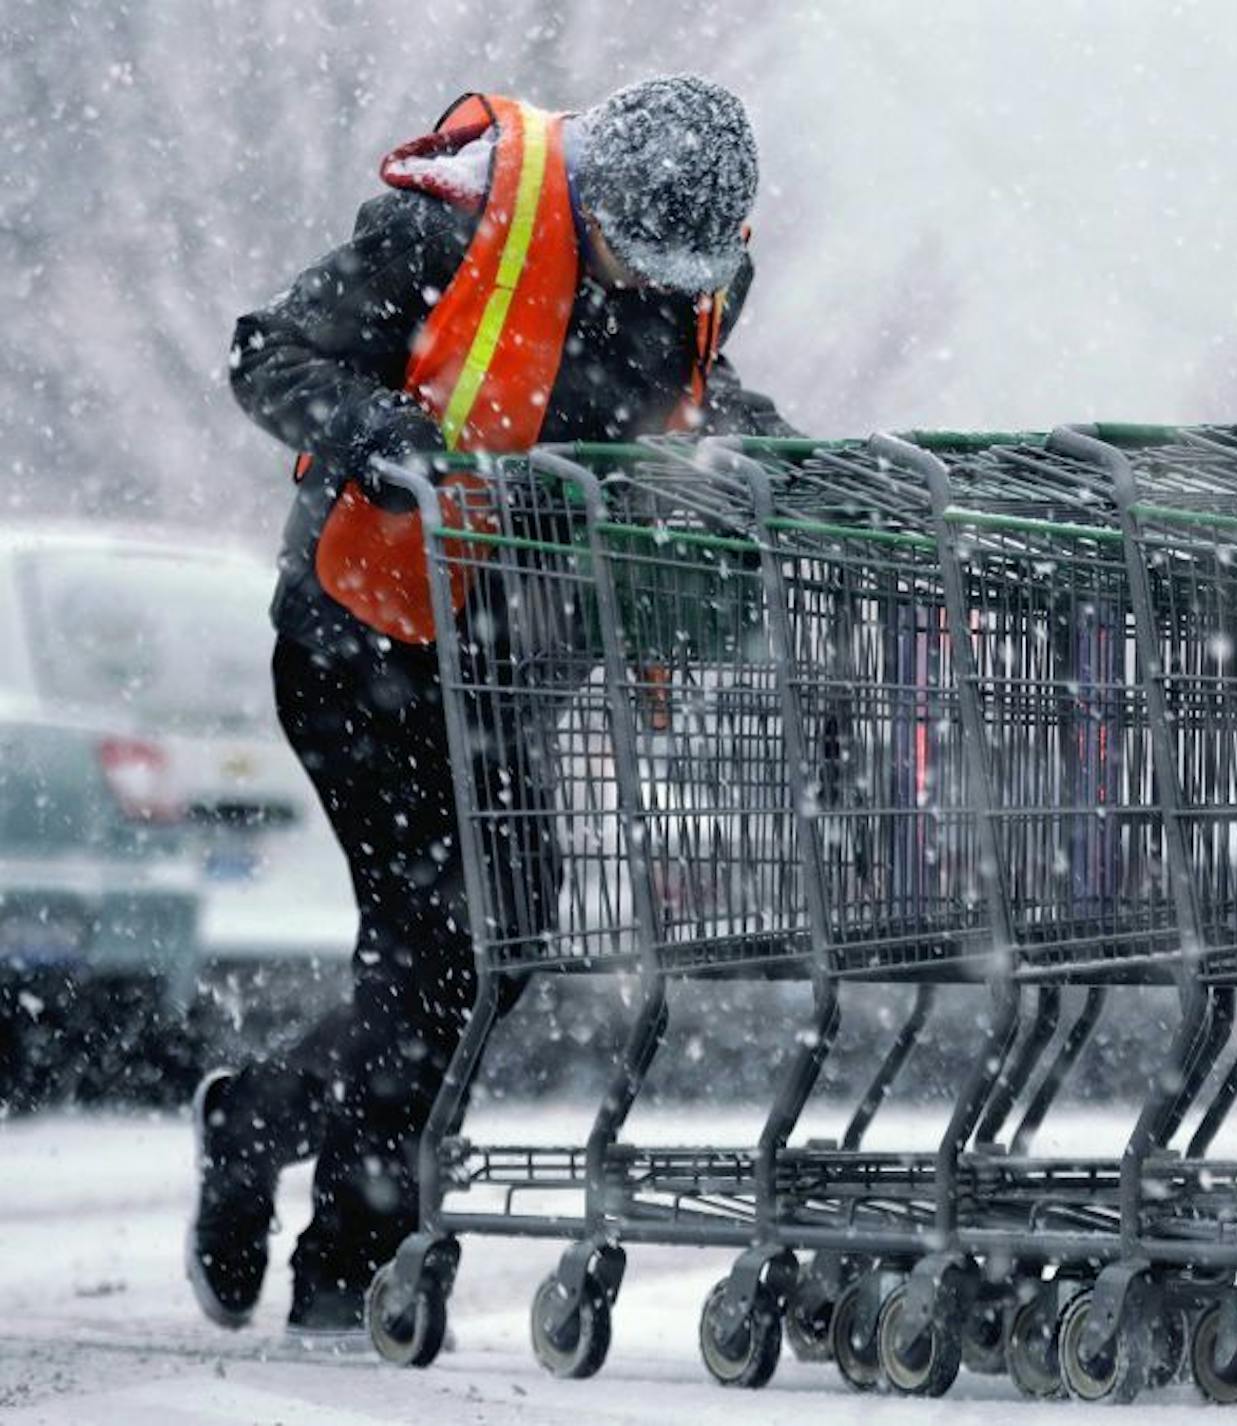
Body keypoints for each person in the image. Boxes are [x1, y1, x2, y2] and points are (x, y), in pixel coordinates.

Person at [190, 75, 796, 1340]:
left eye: (681, 272)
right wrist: (374, 430)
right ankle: (350, 1266)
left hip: (511, 660)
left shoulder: (695, 278)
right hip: (363, 639)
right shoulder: (454, 225)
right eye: (635, 256)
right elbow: (271, 350)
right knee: (432, 953)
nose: (652, 288)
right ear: (594, 200)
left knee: (502, 945)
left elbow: (687, 402)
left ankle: (263, 1118)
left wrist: (762, 457)